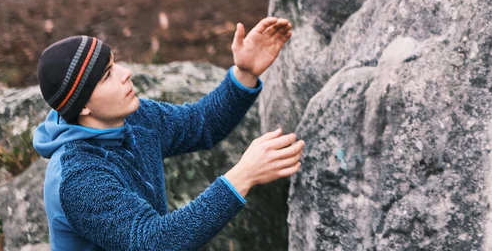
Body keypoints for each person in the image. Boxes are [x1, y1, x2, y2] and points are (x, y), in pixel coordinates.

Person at [31, 19, 305, 251]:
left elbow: (201, 124)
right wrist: (243, 175)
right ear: (83, 107)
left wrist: (244, 73)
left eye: (115, 64)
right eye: (107, 76)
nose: (126, 73)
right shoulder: (79, 179)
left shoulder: (133, 117)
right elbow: (155, 242)